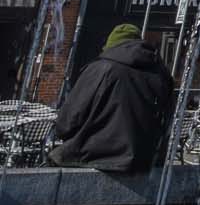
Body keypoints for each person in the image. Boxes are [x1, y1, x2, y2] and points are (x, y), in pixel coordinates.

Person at [48, 24, 175, 173]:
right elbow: (167, 122)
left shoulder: (100, 69)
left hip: (89, 156)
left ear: (111, 46)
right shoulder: (162, 76)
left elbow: (67, 122)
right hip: (144, 163)